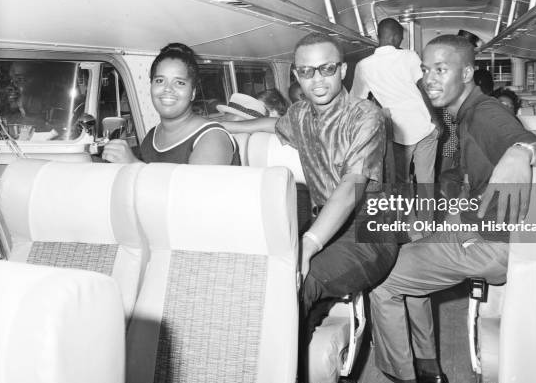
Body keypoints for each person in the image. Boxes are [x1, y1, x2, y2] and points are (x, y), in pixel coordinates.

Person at [366, 34, 536, 383]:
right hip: (482, 223)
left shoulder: (486, 114)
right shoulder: (462, 114)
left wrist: (521, 150)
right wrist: (439, 215)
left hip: (495, 241)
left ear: (467, 71)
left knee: (382, 280)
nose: (429, 79)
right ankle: (428, 371)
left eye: (441, 70)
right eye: (426, 70)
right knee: (407, 253)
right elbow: (467, 178)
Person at [223, 32, 399, 363]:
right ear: (296, 75)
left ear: (343, 70)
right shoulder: (300, 114)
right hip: (327, 221)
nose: (317, 80)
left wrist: (311, 241)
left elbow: (351, 188)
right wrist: (220, 124)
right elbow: (272, 123)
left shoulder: (367, 116)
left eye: (326, 69)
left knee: (297, 284)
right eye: (306, 71)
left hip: (371, 230)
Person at [103, 43, 238, 165]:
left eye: (179, 83)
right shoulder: (152, 136)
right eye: (160, 81)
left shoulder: (212, 138)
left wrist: (133, 164)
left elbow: (193, 192)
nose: (167, 88)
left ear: (192, 93)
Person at [350, 18, 439, 184]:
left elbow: (357, 102)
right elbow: (424, 88)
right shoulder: (409, 56)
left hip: (398, 133)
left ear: (378, 36)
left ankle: (405, 210)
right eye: (401, 38)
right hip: (424, 125)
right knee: (426, 181)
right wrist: (436, 119)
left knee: (401, 180)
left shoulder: (363, 66)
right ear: (395, 37)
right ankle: (426, 210)